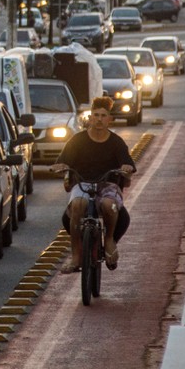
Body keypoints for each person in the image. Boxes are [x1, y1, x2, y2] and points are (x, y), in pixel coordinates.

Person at [51, 96, 135, 273]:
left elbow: (127, 164)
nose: (99, 119)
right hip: (82, 184)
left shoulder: (116, 142)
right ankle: (76, 256)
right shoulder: (77, 140)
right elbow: (63, 161)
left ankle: (110, 239)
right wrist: (60, 166)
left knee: (109, 205)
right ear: (90, 118)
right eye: (95, 115)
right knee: (77, 205)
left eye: (103, 115)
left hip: (108, 185)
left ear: (109, 119)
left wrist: (126, 167)